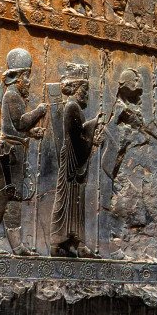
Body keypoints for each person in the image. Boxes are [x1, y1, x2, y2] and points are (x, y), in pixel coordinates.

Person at [0, 49, 47, 254]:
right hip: (8, 154)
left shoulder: (14, 95)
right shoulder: (12, 95)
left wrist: (31, 133)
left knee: (13, 197)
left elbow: (15, 128)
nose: (29, 81)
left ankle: (16, 246)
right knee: (2, 196)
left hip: (14, 151)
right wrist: (39, 111)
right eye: (27, 76)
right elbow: (20, 123)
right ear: (18, 77)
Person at [50, 63, 102, 257]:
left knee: (75, 202)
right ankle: (59, 242)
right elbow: (77, 138)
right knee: (67, 201)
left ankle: (74, 242)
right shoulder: (72, 107)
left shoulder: (74, 107)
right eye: (84, 90)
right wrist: (93, 126)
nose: (87, 95)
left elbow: (79, 134)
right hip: (72, 160)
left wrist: (91, 127)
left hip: (74, 159)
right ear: (75, 88)